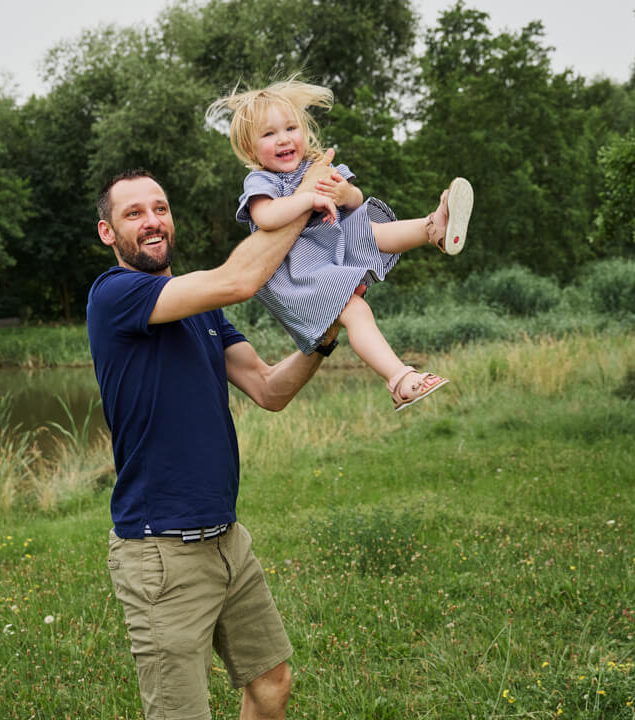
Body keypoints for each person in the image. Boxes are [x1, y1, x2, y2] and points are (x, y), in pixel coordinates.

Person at [86, 158, 341, 720]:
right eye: (134, 214)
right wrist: (301, 201)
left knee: (271, 683)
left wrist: (323, 338)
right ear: (109, 232)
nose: (152, 221)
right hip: (161, 553)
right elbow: (240, 280)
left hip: (227, 541)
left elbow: (269, 389)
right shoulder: (115, 294)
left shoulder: (201, 312)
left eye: (160, 208)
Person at [208, 78, 474, 411]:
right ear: (251, 149)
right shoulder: (262, 181)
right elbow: (267, 217)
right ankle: (399, 379)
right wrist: (307, 196)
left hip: (329, 245)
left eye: (291, 128)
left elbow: (354, 198)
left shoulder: (314, 166)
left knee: (371, 228)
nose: (284, 139)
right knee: (357, 312)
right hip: (299, 274)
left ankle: (433, 228)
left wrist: (344, 194)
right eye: (269, 134)